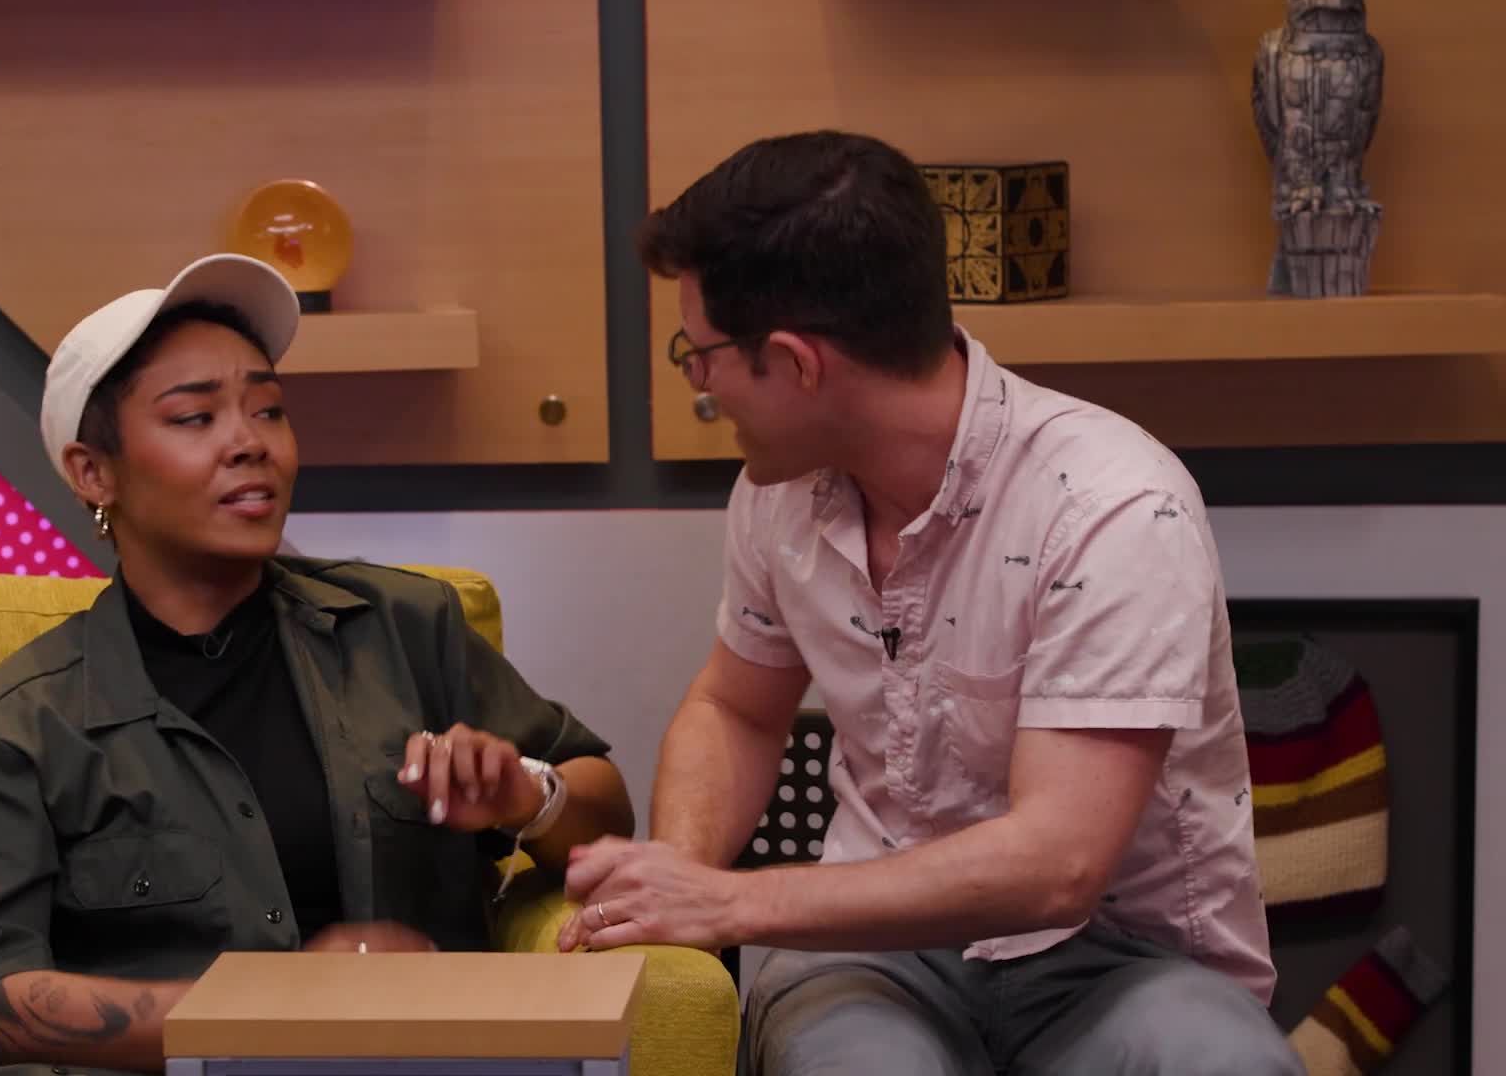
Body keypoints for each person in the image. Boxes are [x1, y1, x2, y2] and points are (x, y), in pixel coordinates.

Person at [555, 131, 1300, 1075]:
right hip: (867, 957)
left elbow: (1058, 866)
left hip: (1119, 961)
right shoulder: (777, 497)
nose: (698, 384)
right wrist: (680, 874)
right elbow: (736, 709)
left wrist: (734, 903)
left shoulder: (1112, 505)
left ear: (796, 362)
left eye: (698, 355)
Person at [0, 253, 635, 1076]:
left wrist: (530, 797)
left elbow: (606, 811)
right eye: (194, 417)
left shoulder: (403, 626)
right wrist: (276, 1012)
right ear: (93, 472)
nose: (250, 443)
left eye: (269, 410)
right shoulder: (16, 732)